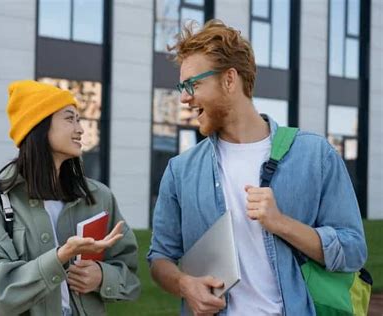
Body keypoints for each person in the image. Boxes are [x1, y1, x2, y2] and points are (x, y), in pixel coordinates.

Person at [147, 20, 367, 315]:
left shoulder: (316, 155)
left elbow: (353, 250)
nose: (185, 97)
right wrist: (186, 285)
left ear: (229, 80)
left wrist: (281, 223)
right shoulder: (180, 171)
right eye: (182, 87)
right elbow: (160, 257)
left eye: (193, 84)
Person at [0, 80, 141, 316]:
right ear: (38, 126)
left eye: (79, 119)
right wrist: (60, 257)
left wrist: (101, 276)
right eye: (70, 119)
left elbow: (130, 275)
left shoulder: (99, 197)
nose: (80, 129)